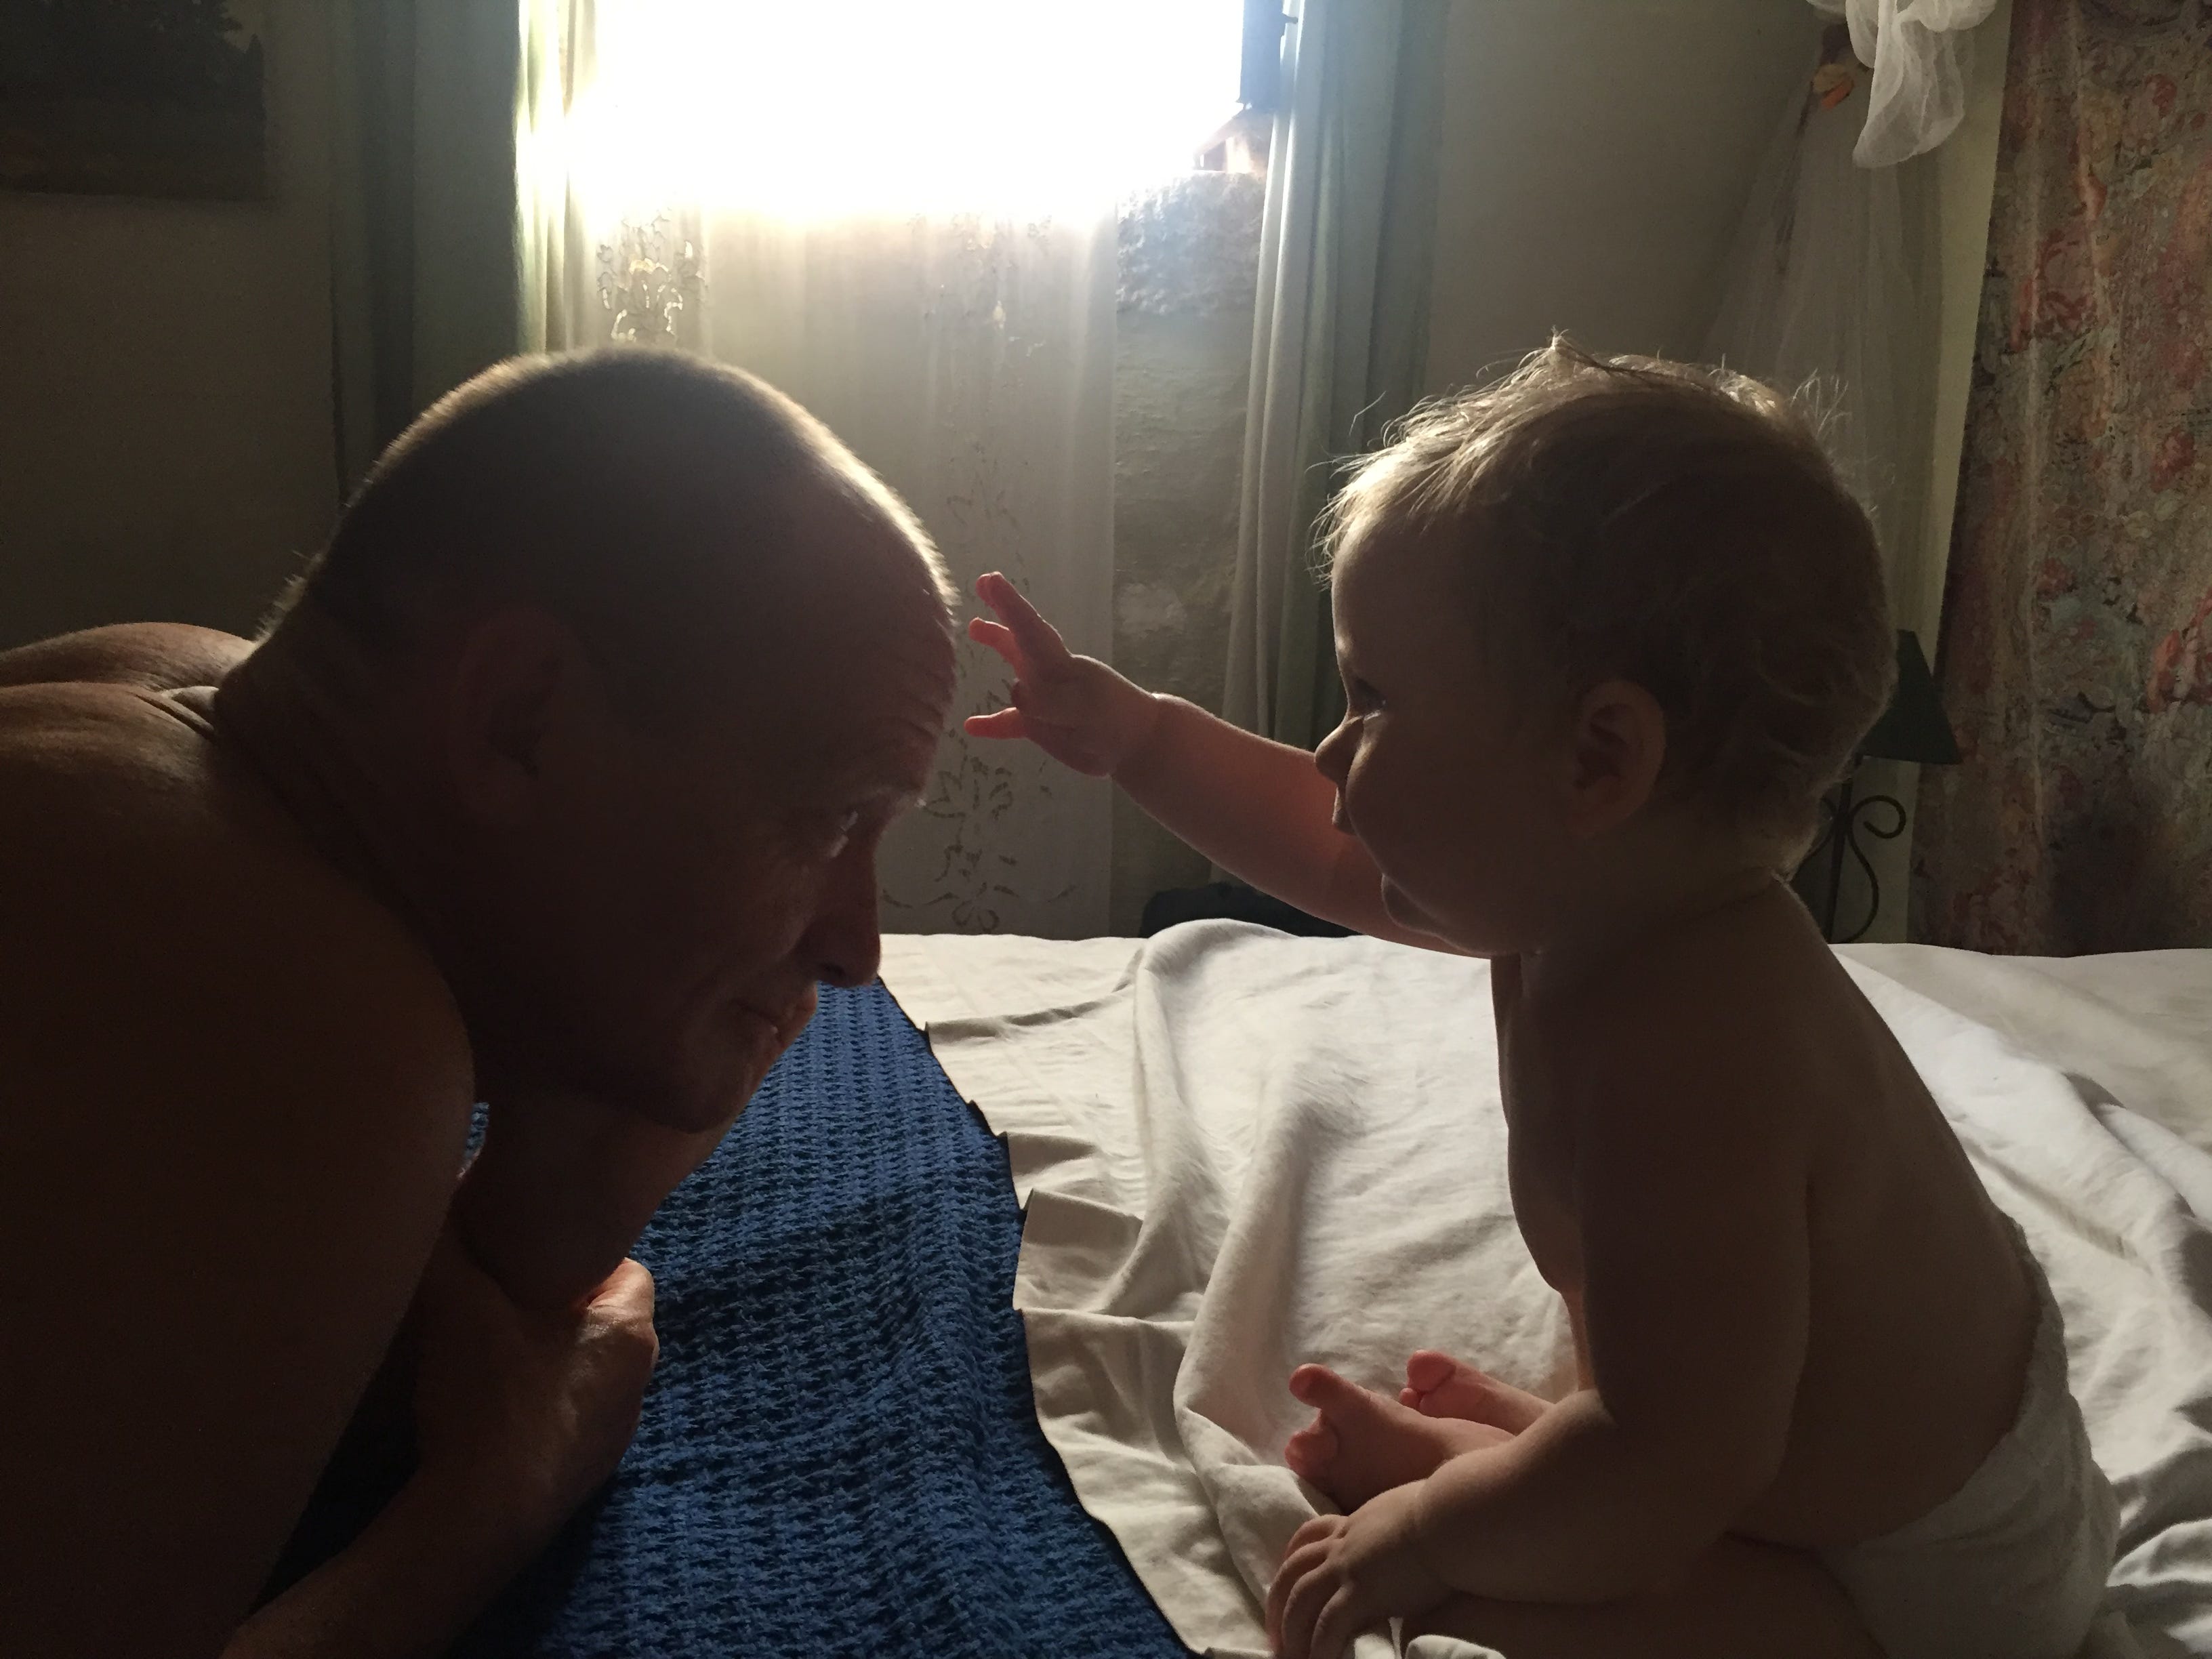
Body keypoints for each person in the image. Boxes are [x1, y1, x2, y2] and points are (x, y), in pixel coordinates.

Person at [966, 341, 2118, 1659]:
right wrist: (1143, 739)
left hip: (1929, 1580)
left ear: (1596, 758)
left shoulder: (1691, 1051)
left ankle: (1498, 1488)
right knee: (1599, 1487)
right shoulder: (1581, 886)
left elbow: (1673, 1466)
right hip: (1738, 1455)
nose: (1336, 747)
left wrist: (1423, 1537)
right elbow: (1334, 849)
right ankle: (1524, 1474)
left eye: (1373, 700)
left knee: (1477, 1601)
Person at [0, 350, 958, 1657]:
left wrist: (567, 1203)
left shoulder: (187, 688)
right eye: (827, 820)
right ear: (517, 718)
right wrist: (498, 1497)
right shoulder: (293, 996)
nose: (856, 950)